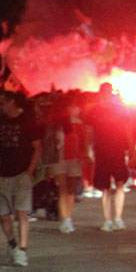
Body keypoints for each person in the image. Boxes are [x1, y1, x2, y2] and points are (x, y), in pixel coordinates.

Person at [0, 90, 43, 266]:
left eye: (1, 103)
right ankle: (12, 243)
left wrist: (30, 170)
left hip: (21, 175)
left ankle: (23, 250)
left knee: (22, 214)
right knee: (4, 216)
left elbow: (37, 147)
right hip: (2, 175)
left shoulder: (27, 120)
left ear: (12, 102)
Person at [85, 83, 136, 231]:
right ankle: (108, 219)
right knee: (105, 187)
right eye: (104, 93)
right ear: (101, 94)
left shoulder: (120, 110)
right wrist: (86, 151)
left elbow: (128, 131)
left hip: (117, 151)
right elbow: (88, 132)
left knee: (120, 183)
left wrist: (133, 151)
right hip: (101, 152)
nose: (107, 95)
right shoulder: (94, 111)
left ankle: (118, 218)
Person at [48, 92, 90, 233]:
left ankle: (68, 218)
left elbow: (84, 142)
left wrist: (85, 156)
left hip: (74, 160)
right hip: (59, 160)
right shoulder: (56, 124)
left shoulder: (79, 123)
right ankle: (65, 219)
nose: (76, 108)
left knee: (70, 191)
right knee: (63, 190)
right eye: (73, 105)